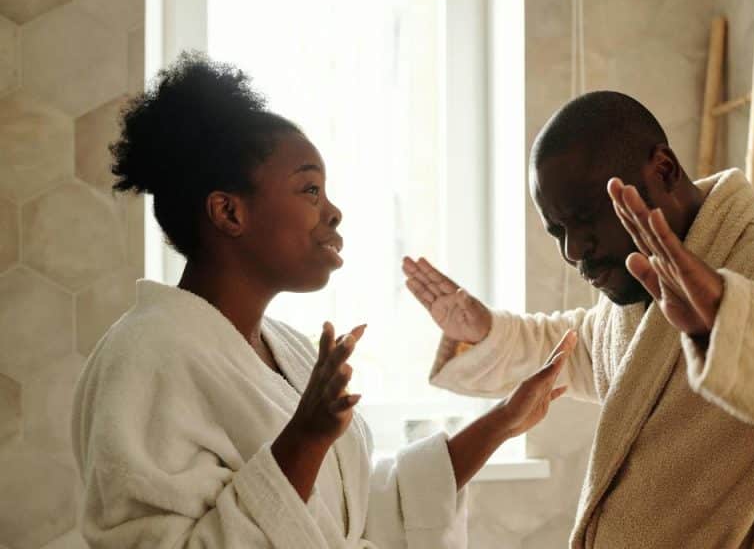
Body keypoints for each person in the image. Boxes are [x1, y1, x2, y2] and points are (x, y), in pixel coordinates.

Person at [403, 90, 754, 548]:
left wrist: (736, 322)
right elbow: (570, 348)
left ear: (665, 170)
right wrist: (486, 332)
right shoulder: (632, 301)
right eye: (558, 232)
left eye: (585, 218)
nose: (574, 251)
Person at [70, 52, 575, 549]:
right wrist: (305, 437)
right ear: (228, 212)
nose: (333, 212)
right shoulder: (145, 356)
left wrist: (503, 420)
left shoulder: (285, 350)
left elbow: (353, 516)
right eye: (309, 189)